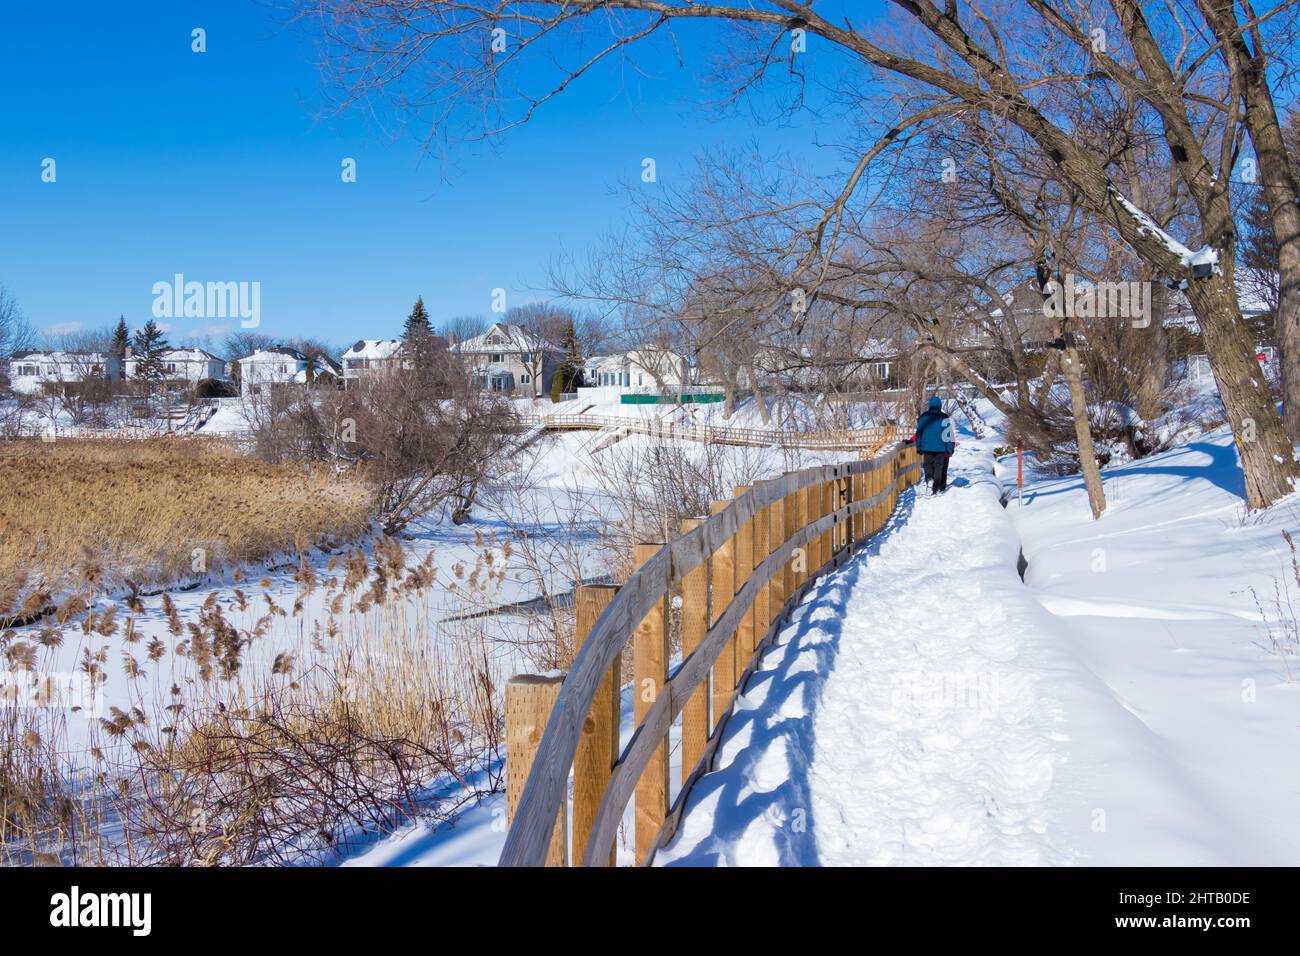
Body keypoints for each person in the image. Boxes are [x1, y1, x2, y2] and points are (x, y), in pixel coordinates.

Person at [912, 395, 955, 494]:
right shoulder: (944, 417)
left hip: (927, 447)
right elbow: (947, 435)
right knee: (938, 467)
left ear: (930, 405)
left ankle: (929, 481)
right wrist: (949, 448)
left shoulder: (923, 417)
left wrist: (918, 446)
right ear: (940, 406)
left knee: (928, 465)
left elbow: (919, 433)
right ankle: (937, 486)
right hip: (940, 448)